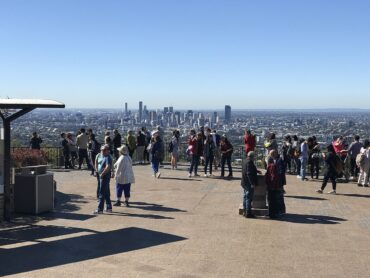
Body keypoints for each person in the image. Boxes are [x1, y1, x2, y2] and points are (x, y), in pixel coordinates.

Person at [241, 151, 261, 218]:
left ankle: (244, 211)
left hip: (244, 182)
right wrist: (252, 183)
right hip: (248, 183)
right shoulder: (249, 162)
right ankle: (248, 213)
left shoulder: (245, 160)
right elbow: (249, 173)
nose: (255, 158)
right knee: (248, 198)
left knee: (245, 197)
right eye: (254, 157)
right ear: (252, 157)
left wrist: (256, 171)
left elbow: (247, 170)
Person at [94, 144, 113, 214]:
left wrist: (102, 174)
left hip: (104, 176)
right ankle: (109, 208)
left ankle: (100, 209)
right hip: (104, 176)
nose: (102, 151)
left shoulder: (108, 157)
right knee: (107, 193)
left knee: (101, 193)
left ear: (107, 151)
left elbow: (108, 167)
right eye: (102, 150)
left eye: (104, 150)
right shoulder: (105, 156)